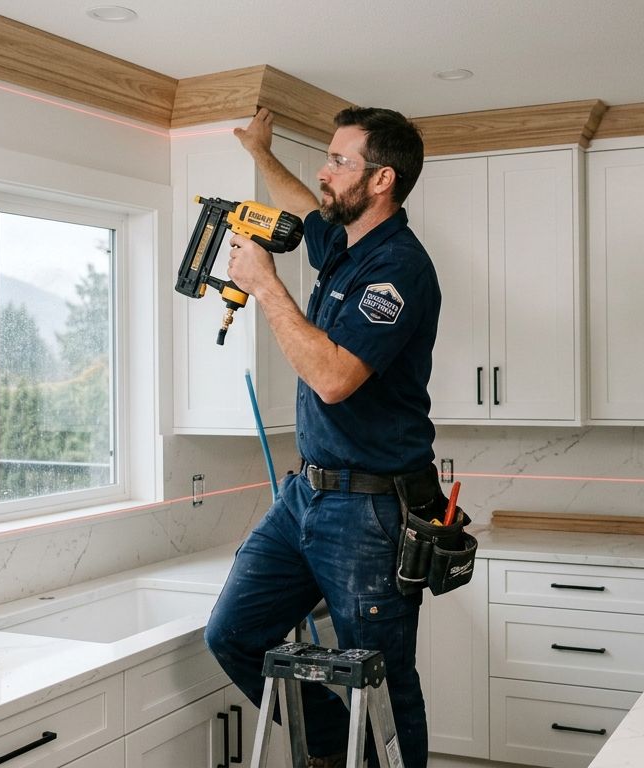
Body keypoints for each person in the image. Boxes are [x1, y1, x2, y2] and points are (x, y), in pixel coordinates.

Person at [203, 105, 441, 767]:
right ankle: (340, 754)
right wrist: (261, 153)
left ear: (382, 180)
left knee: (386, 680)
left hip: (369, 510)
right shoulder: (347, 244)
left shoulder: (397, 269)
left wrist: (265, 285)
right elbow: (306, 207)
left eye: (340, 160)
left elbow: (335, 378)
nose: (324, 170)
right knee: (236, 636)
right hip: (305, 496)